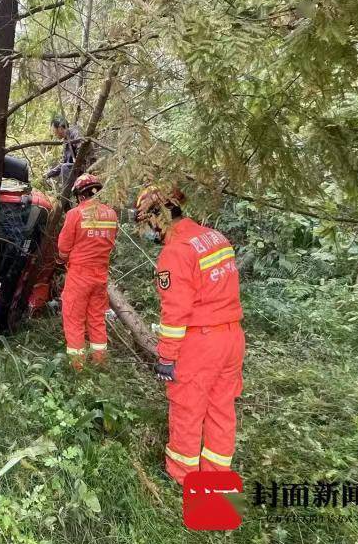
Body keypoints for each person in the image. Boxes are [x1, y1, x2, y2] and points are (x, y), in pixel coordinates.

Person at [134, 183, 245, 485]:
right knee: (221, 411)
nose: (148, 231)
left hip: (202, 343)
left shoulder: (176, 252)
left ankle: (181, 478)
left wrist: (166, 357)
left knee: (187, 410)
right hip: (233, 338)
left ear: (157, 216)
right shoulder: (215, 238)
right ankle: (217, 485)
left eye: (146, 223)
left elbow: (175, 314)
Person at [58, 174, 118, 371]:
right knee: (96, 319)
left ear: (79, 195)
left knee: (74, 320)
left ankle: (78, 369)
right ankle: (99, 364)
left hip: (79, 275)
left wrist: (68, 258)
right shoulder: (111, 214)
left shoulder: (75, 214)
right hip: (101, 275)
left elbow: (63, 249)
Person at [45, 114, 83, 185]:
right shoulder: (65, 142)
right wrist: (49, 174)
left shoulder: (76, 133)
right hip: (75, 168)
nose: (54, 133)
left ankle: (66, 194)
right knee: (64, 167)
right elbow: (64, 162)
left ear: (60, 128)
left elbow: (81, 149)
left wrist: (76, 162)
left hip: (84, 166)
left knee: (65, 167)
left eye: (54, 130)